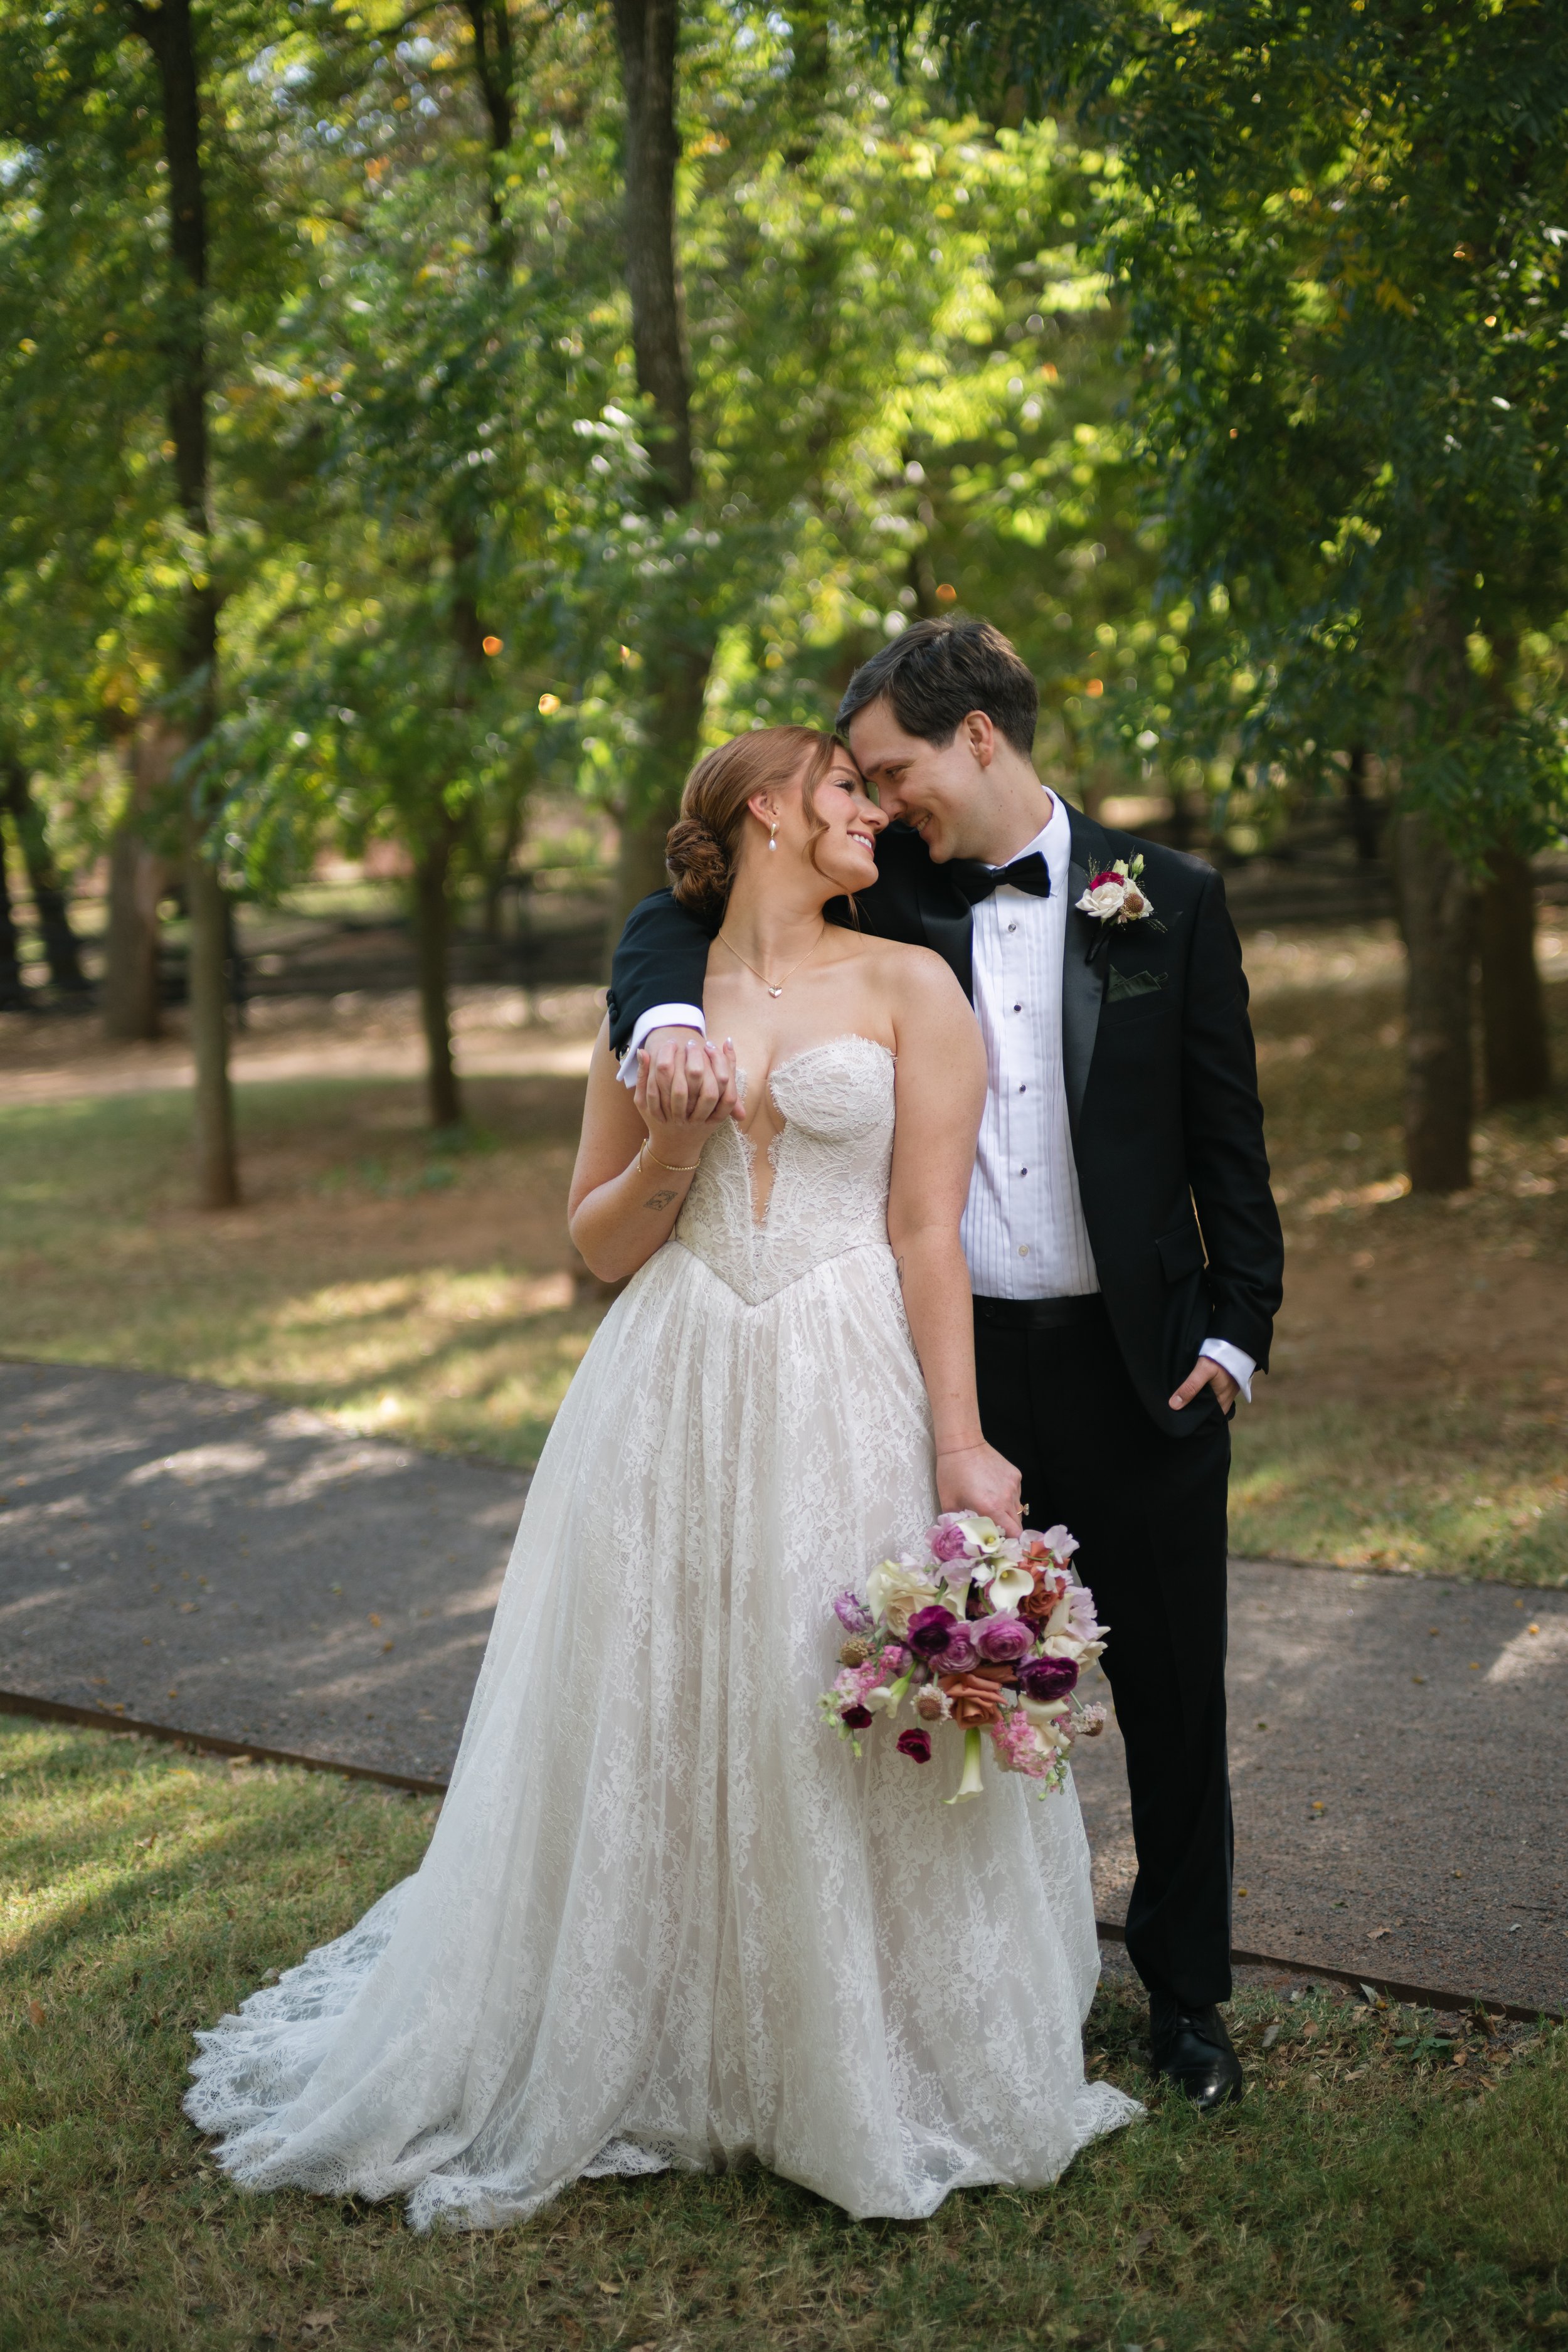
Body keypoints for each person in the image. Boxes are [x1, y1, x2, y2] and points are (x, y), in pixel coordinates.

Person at [184, 723, 1139, 2230]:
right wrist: (674, 1151)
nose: (872, 822)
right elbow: (599, 1242)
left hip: (845, 1369)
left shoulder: (906, 984)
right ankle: (654, 2027)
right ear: (768, 808)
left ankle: (849, 2047)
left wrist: (960, 1440)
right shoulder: (654, 1006)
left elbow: (924, 1234)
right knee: (654, 1690)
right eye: (844, 793)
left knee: (818, 1688)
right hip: (671, 1372)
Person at [610, 621, 1285, 2111]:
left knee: (1174, 1691)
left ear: (977, 735)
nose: (876, 796)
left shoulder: (1163, 898)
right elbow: (686, 920)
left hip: (1142, 1367)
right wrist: (658, 1013)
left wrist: (1237, 1330)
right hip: (935, 1366)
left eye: (893, 767)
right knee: (923, 1686)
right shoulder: (884, 889)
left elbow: (1226, 1137)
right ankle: (933, 1984)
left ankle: (1186, 2004)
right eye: (855, 780)